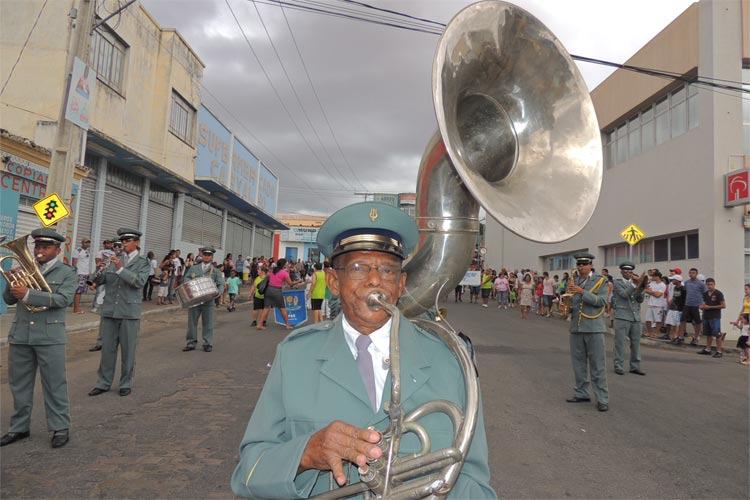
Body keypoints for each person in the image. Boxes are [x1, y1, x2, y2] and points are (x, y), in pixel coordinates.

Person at [230, 202, 495, 498]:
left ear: (401, 283)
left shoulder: (450, 358)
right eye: (358, 268)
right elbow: (248, 474)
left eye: (387, 270)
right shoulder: (294, 356)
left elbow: (474, 479)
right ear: (334, 281)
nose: (374, 279)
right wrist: (306, 454)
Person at [1, 228, 77, 449]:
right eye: (37, 246)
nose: (40, 251)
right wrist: (11, 281)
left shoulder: (67, 272)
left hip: (50, 336)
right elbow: (9, 300)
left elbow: (63, 299)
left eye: (46, 247)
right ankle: (19, 427)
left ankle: (60, 427)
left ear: (57, 249)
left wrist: (27, 293)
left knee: (54, 384)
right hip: (21, 335)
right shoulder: (24, 269)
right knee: (19, 385)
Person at [87, 228, 150, 398]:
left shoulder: (143, 262)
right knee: (107, 349)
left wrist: (121, 269)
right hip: (109, 310)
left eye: (127, 241)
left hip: (129, 311)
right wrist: (97, 272)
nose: (123, 244)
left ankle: (126, 382)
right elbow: (102, 280)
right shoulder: (114, 260)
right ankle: (103, 383)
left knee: (128, 350)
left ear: (136, 243)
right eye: (122, 241)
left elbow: (139, 282)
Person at [565, 252, 610, 412]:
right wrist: (565, 303)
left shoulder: (600, 280)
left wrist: (582, 292)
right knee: (578, 364)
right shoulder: (574, 280)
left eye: (584, 264)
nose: (581, 266)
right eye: (579, 264)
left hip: (593, 327)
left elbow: (601, 302)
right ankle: (582, 392)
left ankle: (602, 398)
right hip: (577, 327)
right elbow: (570, 298)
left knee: (597, 365)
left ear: (591, 265)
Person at [181, 246, 225, 352]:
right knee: (192, 322)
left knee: (208, 322)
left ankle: (207, 343)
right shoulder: (194, 268)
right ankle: (191, 342)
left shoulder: (215, 271)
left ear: (212, 257)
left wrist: (218, 293)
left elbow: (221, 285)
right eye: (205, 254)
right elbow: (186, 278)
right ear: (202, 255)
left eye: (209, 255)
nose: (206, 257)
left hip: (208, 300)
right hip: (195, 300)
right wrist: (189, 285)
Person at [612, 261, 646, 376]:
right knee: (620, 343)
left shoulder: (635, 283)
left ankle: (635, 366)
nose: (628, 274)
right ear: (621, 272)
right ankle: (618, 365)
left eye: (630, 272)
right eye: (626, 272)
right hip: (622, 316)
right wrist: (634, 285)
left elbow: (640, 300)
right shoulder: (617, 283)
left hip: (635, 317)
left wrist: (641, 289)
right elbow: (624, 294)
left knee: (636, 344)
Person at [256, 258, 302, 330]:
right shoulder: (284, 273)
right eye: (286, 263)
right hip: (277, 291)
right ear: (284, 265)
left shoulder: (273, 270)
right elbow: (290, 284)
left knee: (266, 308)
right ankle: (287, 325)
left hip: (269, 290)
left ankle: (259, 324)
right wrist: (299, 281)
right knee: (282, 308)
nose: (288, 264)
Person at [673, 268, 707, 345]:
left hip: (697, 305)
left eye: (693, 273)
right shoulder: (686, 283)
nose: (691, 274)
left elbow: (705, 294)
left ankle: (696, 338)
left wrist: (703, 304)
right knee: (682, 321)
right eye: (690, 273)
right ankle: (681, 337)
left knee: (697, 322)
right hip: (687, 304)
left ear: (696, 274)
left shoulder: (701, 284)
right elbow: (684, 293)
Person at [696, 278, 726, 358]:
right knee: (708, 333)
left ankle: (719, 351)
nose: (710, 286)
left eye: (711, 284)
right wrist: (702, 307)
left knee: (717, 334)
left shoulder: (718, 293)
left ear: (714, 284)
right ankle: (707, 349)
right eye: (708, 285)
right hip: (706, 316)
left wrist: (710, 307)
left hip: (715, 316)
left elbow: (723, 305)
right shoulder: (705, 294)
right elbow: (704, 303)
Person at [643, 271, 666, 337]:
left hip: (658, 305)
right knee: (648, 319)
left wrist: (651, 292)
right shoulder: (652, 283)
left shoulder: (662, 285)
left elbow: (658, 295)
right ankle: (649, 332)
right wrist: (653, 292)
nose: (652, 277)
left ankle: (656, 333)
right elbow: (646, 290)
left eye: (653, 276)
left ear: (657, 277)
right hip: (650, 304)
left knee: (658, 320)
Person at [72, 237, 91, 314]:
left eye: (89, 242)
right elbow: (74, 263)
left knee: (81, 291)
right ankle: (76, 309)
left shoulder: (87, 251)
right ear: (82, 243)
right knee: (78, 291)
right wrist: (75, 273)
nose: (87, 244)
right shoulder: (77, 251)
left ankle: (78, 307)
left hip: (85, 273)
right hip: (79, 273)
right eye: (86, 242)